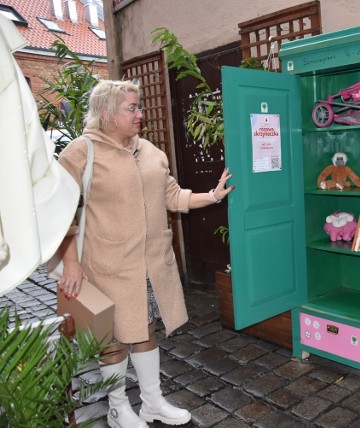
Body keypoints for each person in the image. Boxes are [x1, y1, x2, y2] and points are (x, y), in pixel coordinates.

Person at [55, 79, 234, 427]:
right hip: (107, 266)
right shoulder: (81, 151)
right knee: (114, 337)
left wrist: (212, 196)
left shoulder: (151, 151)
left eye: (139, 107)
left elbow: (172, 196)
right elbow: (59, 212)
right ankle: (119, 407)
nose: (141, 113)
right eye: (132, 108)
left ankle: (152, 402)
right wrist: (71, 264)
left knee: (145, 328)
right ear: (107, 114)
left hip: (152, 265)